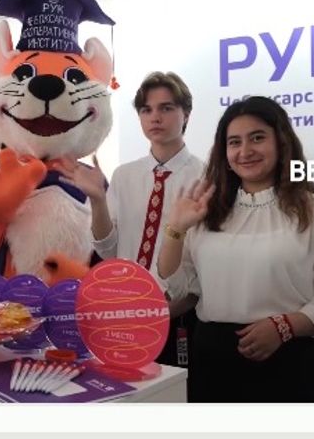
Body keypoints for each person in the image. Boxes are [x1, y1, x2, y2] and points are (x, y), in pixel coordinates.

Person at [156, 95, 314, 402]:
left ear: (281, 142)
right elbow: (177, 285)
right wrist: (176, 228)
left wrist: (284, 327)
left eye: (257, 138)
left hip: (288, 360)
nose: (245, 151)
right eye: (234, 142)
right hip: (213, 362)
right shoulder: (206, 211)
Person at [56, 71, 205, 384]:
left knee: (177, 396)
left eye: (166, 108)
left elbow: (207, 257)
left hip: (181, 314)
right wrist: (97, 200)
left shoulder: (205, 178)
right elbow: (108, 250)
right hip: (125, 313)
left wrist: (179, 303)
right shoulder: (124, 176)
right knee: (128, 393)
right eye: (146, 110)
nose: (155, 117)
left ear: (186, 114)